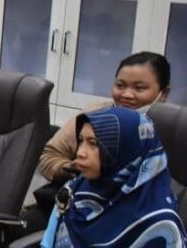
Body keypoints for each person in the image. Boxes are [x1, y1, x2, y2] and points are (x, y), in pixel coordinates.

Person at [30, 106, 187, 248]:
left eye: (94, 144)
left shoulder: (161, 226)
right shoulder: (73, 191)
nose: (80, 152)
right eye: (81, 141)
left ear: (125, 151)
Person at [38, 52, 171, 183]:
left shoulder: (173, 131)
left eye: (139, 88)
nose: (127, 95)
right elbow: (48, 155)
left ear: (163, 93)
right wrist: (75, 172)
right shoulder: (94, 114)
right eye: (120, 86)